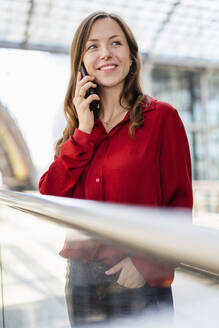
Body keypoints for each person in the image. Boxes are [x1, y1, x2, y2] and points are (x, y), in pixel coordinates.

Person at [39, 11, 193, 326]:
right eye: (93, 46)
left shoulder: (163, 118)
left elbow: (179, 207)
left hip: (138, 280)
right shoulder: (77, 130)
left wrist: (147, 264)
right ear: (81, 63)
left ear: (131, 56)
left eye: (115, 43)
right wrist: (83, 132)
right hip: (81, 281)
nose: (106, 53)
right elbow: (49, 193)